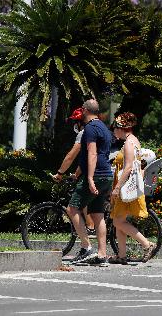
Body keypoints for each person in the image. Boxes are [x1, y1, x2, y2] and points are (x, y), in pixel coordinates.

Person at [66, 99, 114, 266]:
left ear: (85, 110)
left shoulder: (90, 129)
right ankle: (102, 255)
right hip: (107, 175)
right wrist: (77, 173)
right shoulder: (105, 128)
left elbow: (92, 154)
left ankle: (87, 248)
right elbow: (90, 156)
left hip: (96, 175)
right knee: (98, 214)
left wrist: (89, 178)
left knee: (72, 208)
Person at [108, 112, 156, 264]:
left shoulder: (129, 143)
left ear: (121, 128)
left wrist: (116, 188)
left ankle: (146, 244)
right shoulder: (133, 141)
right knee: (118, 220)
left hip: (124, 187)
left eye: (114, 128)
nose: (113, 131)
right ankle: (121, 255)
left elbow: (128, 167)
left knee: (117, 222)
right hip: (128, 186)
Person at [52, 107, 95, 237]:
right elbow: (86, 159)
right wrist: (76, 174)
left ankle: (90, 227)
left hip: (96, 172)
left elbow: (71, 156)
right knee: (87, 199)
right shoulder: (95, 129)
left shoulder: (83, 133)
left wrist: (59, 173)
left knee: (78, 201)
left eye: (75, 122)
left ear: (80, 122)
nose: (74, 125)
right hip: (103, 169)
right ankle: (92, 226)